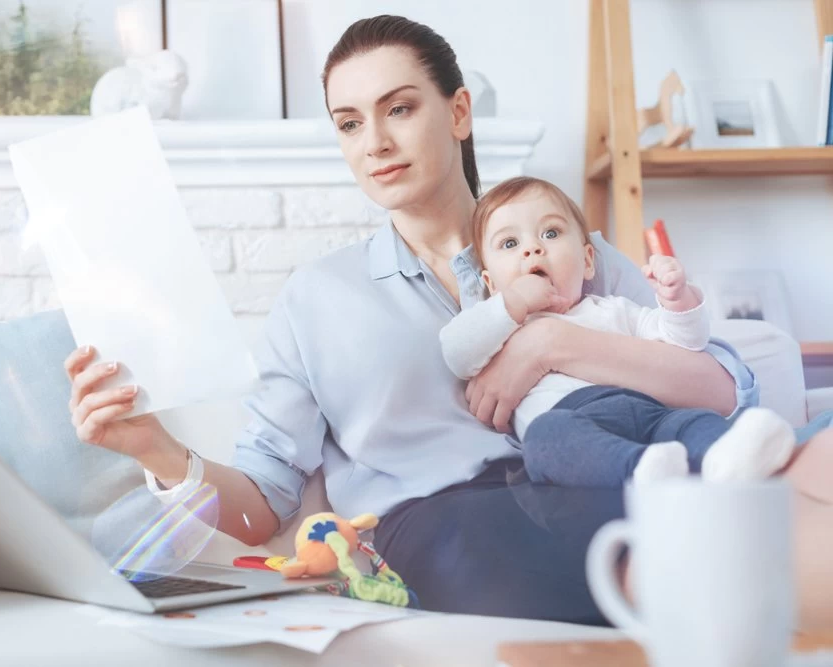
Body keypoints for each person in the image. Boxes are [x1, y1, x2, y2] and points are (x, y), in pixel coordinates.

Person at [63, 15, 832, 623]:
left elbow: (721, 389)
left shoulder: (570, 248)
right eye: (349, 122)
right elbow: (259, 500)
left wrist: (555, 344)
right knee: (703, 533)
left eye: (398, 108)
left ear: (458, 111)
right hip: (458, 521)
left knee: (806, 458)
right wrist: (154, 447)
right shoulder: (315, 301)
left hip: (620, 461)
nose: (376, 143)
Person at [439, 176, 796, 487]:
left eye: (551, 233)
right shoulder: (500, 331)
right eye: (509, 244)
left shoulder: (611, 309)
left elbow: (683, 341)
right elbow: (457, 352)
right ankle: (640, 470)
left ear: (588, 261)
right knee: (547, 441)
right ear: (490, 283)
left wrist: (678, 300)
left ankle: (732, 458)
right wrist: (511, 303)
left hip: (648, 409)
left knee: (692, 422)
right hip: (572, 419)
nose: (534, 248)